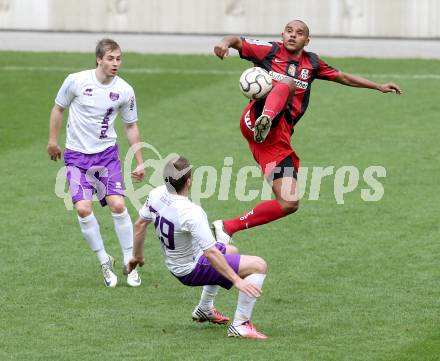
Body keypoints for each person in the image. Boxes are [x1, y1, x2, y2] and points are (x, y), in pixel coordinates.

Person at [212, 19, 402, 243]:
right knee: (287, 85)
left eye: (299, 33)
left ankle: (226, 227)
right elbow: (236, 40)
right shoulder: (269, 50)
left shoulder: (312, 63)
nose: (292, 35)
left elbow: (342, 77)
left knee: (289, 202)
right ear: (282, 34)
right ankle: (267, 118)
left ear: (307, 40)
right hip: (256, 118)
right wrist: (224, 43)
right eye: (289, 31)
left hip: (276, 139)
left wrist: (378, 86)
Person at [128, 156, 268, 339]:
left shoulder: (156, 194)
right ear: (189, 181)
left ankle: (204, 308)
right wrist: (237, 280)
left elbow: (139, 225)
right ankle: (241, 325)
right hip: (191, 269)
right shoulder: (191, 212)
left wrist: (136, 256)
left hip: (178, 260)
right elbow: (210, 254)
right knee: (259, 265)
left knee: (229, 249)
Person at [47, 38, 145, 288]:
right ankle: (104, 261)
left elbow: (131, 125)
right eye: (111, 58)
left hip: (106, 155)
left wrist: (140, 161)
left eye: (119, 58)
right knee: (83, 209)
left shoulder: (124, 90)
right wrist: (52, 141)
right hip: (76, 156)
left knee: (118, 204)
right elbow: (58, 108)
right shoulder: (76, 81)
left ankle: (129, 261)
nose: (116, 63)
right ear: (99, 59)